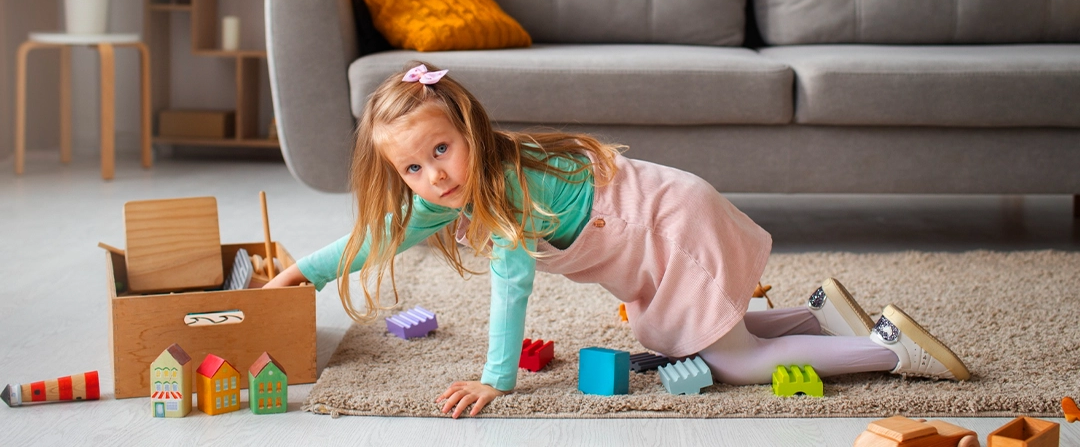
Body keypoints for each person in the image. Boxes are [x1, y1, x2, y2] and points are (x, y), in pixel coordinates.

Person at [266, 62, 970, 418]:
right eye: (412, 168)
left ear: (470, 130)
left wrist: (495, 380)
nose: (433, 176)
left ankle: (889, 350)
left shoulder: (505, 193)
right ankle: (819, 314)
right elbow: (374, 238)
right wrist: (300, 274)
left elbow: (512, 290)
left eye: (441, 151)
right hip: (663, 213)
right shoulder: (447, 190)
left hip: (669, 225)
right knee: (683, 343)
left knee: (730, 363)